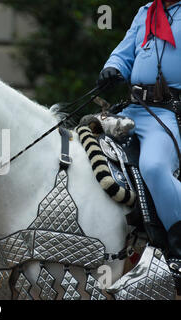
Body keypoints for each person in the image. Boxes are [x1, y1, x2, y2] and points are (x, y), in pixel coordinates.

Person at [97, 0, 181, 292]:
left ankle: (178, 250)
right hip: (132, 110)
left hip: (169, 112)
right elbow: (124, 52)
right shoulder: (146, 12)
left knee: (154, 167)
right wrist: (112, 68)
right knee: (87, 147)